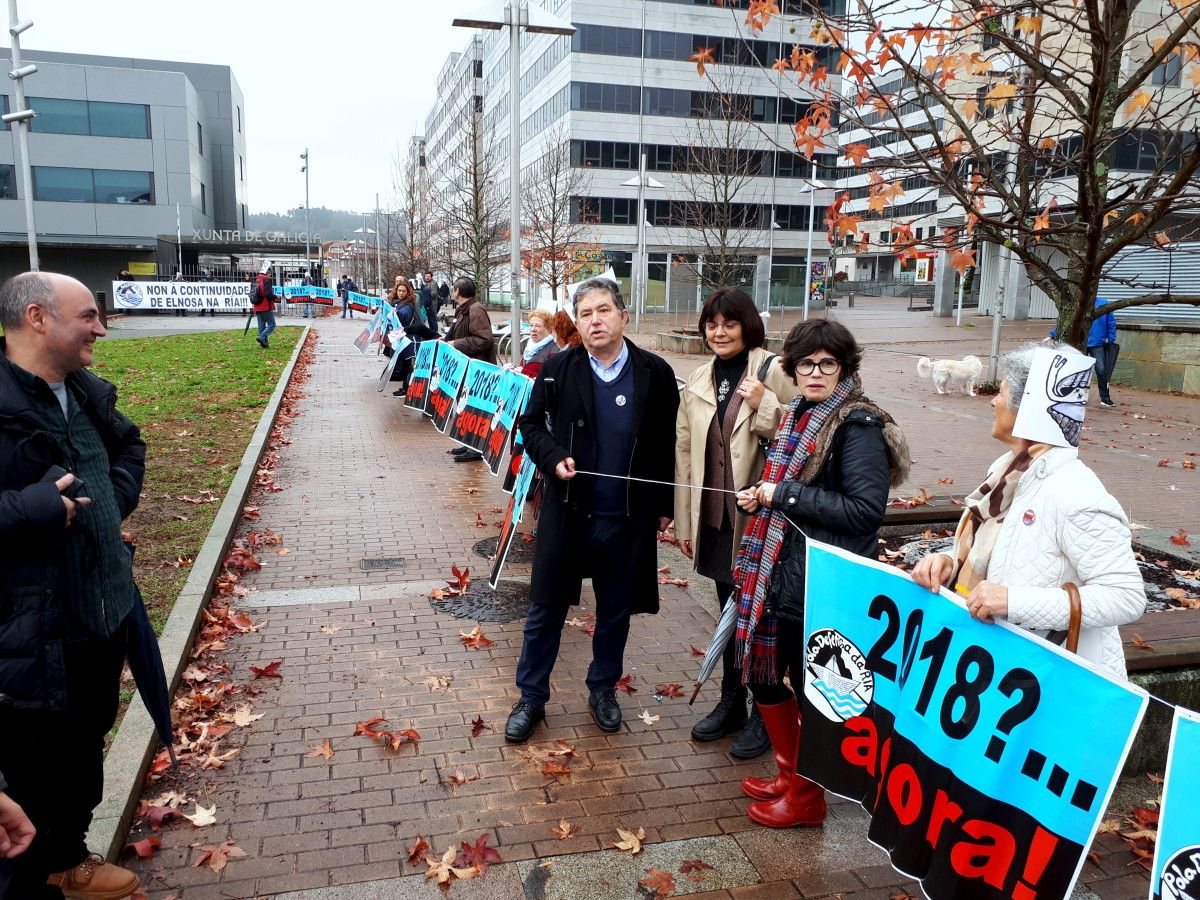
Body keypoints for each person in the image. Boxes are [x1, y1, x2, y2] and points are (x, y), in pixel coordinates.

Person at [0, 272, 146, 898]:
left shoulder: (83, 392)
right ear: (37, 317)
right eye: (88, 316)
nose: (100, 328)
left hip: (99, 619)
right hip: (32, 637)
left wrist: (105, 509)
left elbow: (130, 446)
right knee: (34, 773)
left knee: (84, 750)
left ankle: (70, 862)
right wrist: (31, 509)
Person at [732, 318, 909, 829]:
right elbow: (789, 494)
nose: (814, 373)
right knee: (769, 678)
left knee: (807, 687)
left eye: (826, 363)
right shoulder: (798, 417)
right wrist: (763, 497)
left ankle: (807, 796)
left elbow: (863, 511)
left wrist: (779, 495)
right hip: (781, 574)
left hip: (821, 583)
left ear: (844, 367)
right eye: (805, 363)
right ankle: (791, 777)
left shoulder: (857, 425)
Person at [505, 278, 680, 743]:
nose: (595, 320)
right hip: (568, 512)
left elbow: (666, 443)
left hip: (626, 519)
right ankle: (531, 697)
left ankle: (603, 688)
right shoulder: (557, 368)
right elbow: (529, 424)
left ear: (623, 315)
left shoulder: (655, 372)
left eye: (604, 310)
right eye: (585, 313)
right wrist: (551, 454)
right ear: (576, 322)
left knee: (615, 611)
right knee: (545, 608)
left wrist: (664, 504)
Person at [912, 343, 1145, 678]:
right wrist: (949, 563)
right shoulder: (1007, 472)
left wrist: (1013, 601)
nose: (993, 401)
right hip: (997, 671)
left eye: (1003, 393)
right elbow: (994, 550)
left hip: (1049, 680)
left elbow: (1126, 597)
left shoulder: (1075, 492)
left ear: (1030, 409)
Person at [674, 288, 798, 760]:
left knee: (761, 620)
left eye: (729, 323)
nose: (719, 332)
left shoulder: (776, 370)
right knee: (730, 610)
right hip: (717, 521)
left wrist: (766, 404)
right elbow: (685, 454)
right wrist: (686, 522)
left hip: (762, 524)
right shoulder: (699, 378)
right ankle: (731, 700)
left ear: (748, 325)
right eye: (712, 324)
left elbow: (804, 434)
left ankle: (766, 715)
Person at [445, 277, 498, 463]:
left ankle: (476, 448)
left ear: (458, 291)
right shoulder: (465, 310)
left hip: (478, 367)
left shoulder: (475, 310)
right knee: (467, 405)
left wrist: (456, 344)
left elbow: (484, 340)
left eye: (454, 289)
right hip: (469, 365)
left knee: (475, 407)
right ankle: (469, 443)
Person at [517, 310, 558, 379]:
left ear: (549, 329)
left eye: (538, 326)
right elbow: (523, 367)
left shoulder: (554, 349)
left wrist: (524, 372)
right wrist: (513, 369)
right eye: (531, 325)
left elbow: (551, 377)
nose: (533, 329)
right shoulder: (530, 346)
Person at [251, 261, 278, 349]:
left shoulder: (258, 279)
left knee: (261, 325)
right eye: (270, 273)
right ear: (268, 272)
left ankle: (264, 344)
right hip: (265, 306)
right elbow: (267, 294)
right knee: (272, 324)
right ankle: (262, 337)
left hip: (257, 306)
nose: (270, 275)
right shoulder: (266, 280)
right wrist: (275, 296)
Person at [418, 271, 440, 335]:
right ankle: (432, 332)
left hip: (432, 304)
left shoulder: (433, 283)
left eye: (428, 276)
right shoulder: (426, 283)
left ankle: (435, 333)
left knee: (432, 319)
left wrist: (426, 295)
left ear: (431, 277)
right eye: (426, 276)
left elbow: (434, 294)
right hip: (428, 304)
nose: (427, 277)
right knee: (430, 319)